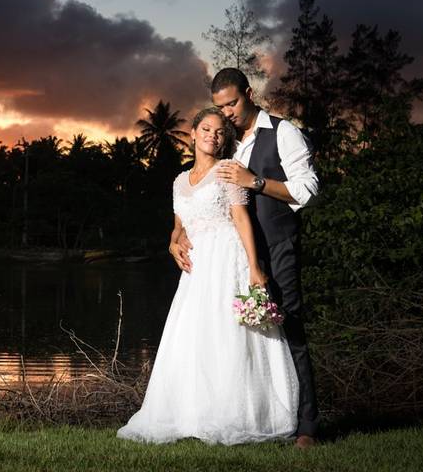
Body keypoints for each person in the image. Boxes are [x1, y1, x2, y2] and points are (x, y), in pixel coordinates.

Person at [117, 107, 299, 446]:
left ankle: (238, 414)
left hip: (228, 260)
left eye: (219, 131)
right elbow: (178, 227)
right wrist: (173, 244)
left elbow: (242, 219)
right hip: (198, 269)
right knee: (195, 337)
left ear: (224, 138)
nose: (212, 135)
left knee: (229, 335)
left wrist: (255, 268)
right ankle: (193, 412)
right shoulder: (178, 181)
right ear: (194, 133)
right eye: (206, 129)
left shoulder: (228, 171)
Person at [172, 67, 321, 448]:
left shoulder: (283, 132)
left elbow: (307, 190)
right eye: (221, 107)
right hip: (232, 255)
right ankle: (252, 413)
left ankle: (306, 427)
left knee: (289, 327)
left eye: (233, 103)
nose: (228, 113)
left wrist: (254, 181)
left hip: (275, 245)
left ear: (249, 93)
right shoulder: (226, 141)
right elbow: (203, 198)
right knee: (243, 336)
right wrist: (177, 234)